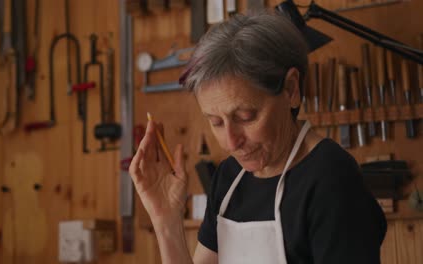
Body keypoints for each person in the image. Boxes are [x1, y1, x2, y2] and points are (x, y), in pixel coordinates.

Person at [129, 10, 387, 264]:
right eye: (216, 122)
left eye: (245, 117)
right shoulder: (230, 177)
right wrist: (166, 222)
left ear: (291, 90)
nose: (231, 142)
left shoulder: (331, 178)